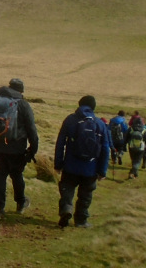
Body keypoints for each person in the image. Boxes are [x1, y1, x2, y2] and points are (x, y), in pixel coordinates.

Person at [54, 95, 110, 228]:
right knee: (85, 195)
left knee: (67, 189)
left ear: (79, 105)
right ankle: (81, 220)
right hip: (90, 168)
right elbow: (105, 148)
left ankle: (66, 208)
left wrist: (58, 163)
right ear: (93, 107)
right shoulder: (100, 124)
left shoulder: (70, 120)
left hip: (70, 166)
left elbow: (60, 143)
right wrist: (102, 170)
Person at [0, 78, 38, 220]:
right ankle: (21, 203)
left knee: (0, 175)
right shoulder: (23, 105)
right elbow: (31, 130)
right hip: (17, 148)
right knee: (16, 175)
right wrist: (33, 150)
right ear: (20, 91)